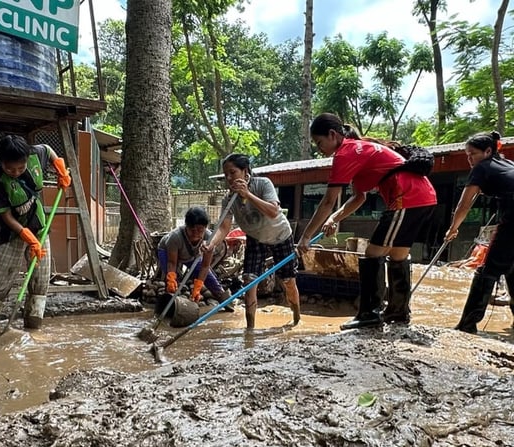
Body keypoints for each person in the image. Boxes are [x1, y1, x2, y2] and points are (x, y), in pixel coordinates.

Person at [298, 113, 438, 330]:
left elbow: (327, 201)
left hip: (407, 197)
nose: (319, 149)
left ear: (333, 135)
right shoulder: (358, 151)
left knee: (373, 254)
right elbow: (359, 197)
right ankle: (398, 313)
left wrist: (306, 236)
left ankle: (369, 314)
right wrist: (335, 218)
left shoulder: (345, 153)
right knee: (398, 254)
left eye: (319, 142)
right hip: (423, 196)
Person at [0, 134, 71, 330]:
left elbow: (48, 149)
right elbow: (5, 215)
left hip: (39, 226)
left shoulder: (35, 153)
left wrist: (60, 169)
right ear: (1, 162)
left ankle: (33, 327)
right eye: (10, 168)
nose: (16, 172)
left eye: (21, 167)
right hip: (11, 230)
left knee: (40, 279)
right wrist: (26, 235)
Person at [209, 154, 300, 329]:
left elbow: (273, 211)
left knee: (288, 281)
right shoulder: (228, 200)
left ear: (245, 171)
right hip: (256, 238)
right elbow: (224, 227)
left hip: (280, 235)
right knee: (249, 281)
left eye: (233, 172)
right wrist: (211, 244)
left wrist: (248, 194)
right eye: (226, 174)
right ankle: (250, 329)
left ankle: (296, 318)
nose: (229, 178)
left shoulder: (263, 184)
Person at [444, 131, 514, 333]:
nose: (469, 159)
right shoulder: (507, 164)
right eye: (466, 155)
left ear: (488, 151)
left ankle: (467, 324)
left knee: (488, 270)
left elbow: (463, 205)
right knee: (512, 269)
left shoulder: (481, 168)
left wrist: (453, 229)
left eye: (472, 154)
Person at [156, 206, 233, 314]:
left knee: (209, 278)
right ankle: (170, 307)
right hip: (167, 252)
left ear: (205, 227)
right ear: (186, 226)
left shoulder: (209, 239)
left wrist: (198, 286)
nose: (196, 234)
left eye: (200, 230)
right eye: (192, 230)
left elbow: (205, 266)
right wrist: (171, 278)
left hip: (192, 256)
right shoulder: (175, 237)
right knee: (172, 281)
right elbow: (172, 263)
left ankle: (225, 300)